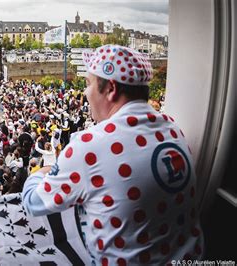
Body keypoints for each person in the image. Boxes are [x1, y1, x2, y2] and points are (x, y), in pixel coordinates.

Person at [21, 44, 204, 264]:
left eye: (88, 84)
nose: (85, 93)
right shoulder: (172, 129)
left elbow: (34, 202)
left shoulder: (89, 146)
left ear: (111, 89)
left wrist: (42, 171)